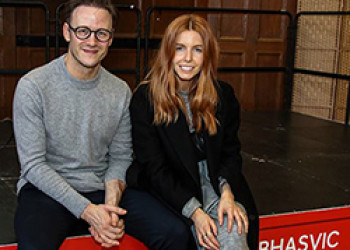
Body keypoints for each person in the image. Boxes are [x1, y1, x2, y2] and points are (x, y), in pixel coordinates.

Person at [13, 1, 192, 249]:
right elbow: (33, 165)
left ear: (110, 39)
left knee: (175, 233)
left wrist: (111, 207)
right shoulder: (33, 86)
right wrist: (88, 212)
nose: (92, 41)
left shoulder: (119, 91)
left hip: (102, 188)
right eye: (83, 31)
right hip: (47, 191)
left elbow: (120, 156)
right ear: (67, 32)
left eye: (101, 33)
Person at [126, 14, 259, 250]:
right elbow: (155, 169)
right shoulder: (145, 99)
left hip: (217, 182)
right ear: (168, 51)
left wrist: (228, 194)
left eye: (197, 50)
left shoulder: (222, 95)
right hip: (172, 186)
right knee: (205, 235)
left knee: (234, 229)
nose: (188, 58)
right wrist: (195, 213)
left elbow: (230, 152)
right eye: (180, 48)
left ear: (207, 55)